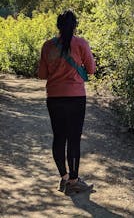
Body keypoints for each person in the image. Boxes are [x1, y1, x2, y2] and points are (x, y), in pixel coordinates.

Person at [38, 10, 96, 195]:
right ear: (75, 25)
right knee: (73, 139)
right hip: (76, 97)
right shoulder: (81, 43)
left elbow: (42, 75)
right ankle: (74, 181)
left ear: (58, 26)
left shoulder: (48, 46)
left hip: (54, 97)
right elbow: (92, 70)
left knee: (59, 137)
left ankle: (63, 177)